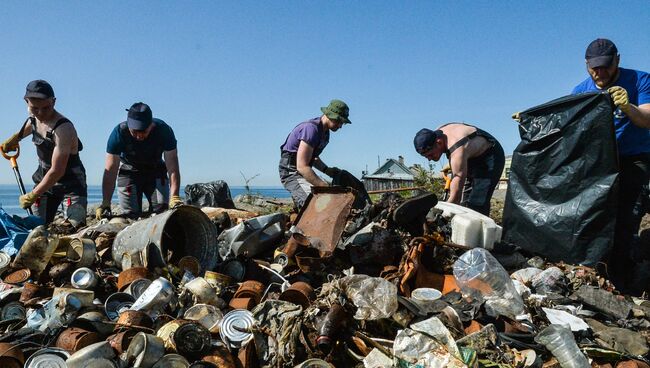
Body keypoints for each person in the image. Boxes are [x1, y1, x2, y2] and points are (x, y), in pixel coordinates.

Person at [572, 38, 650, 293]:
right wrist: (534, 121)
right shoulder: (581, 91)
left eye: (605, 66)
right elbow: (569, 126)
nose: (600, 72)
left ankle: (623, 283)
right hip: (601, 162)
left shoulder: (640, 81)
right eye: (594, 67)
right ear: (586, 65)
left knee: (627, 218)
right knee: (595, 216)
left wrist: (628, 107)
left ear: (617, 60)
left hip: (635, 158)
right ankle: (595, 272)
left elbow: (647, 119)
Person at [0, 80, 87, 227]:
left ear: (53, 101)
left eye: (46, 108)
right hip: (43, 180)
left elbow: (57, 170)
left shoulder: (63, 129)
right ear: (26, 102)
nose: (40, 113)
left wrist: (33, 194)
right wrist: (15, 138)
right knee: (36, 228)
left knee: (74, 230)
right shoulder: (33, 118)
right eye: (35, 108)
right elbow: (31, 124)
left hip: (71, 186)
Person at [97, 102, 182, 219]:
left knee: (162, 212)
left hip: (155, 170)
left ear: (151, 125)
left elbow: (172, 167)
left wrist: (175, 196)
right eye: (135, 132)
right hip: (129, 171)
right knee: (130, 216)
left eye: (143, 132)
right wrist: (106, 202)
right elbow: (110, 171)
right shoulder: (118, 134)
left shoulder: (164, 131)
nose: (138, 136)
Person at [413, 123, 504, 216]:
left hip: (490, 156)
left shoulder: (457, 148)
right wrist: (452, 162)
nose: (429, 159)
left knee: (477, 203)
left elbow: (457, 190)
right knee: (465, 204)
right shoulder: (435, 135)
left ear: (439, 142)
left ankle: (478, 228)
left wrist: (446, 210)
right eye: (426, 156)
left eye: (430, 155)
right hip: (471, 156)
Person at [279, 99, 351, 208]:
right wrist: (324, 187)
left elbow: (313, 157)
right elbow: (302, 166)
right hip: (292, 172)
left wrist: (327, 170)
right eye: (339, 121)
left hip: (303, 171)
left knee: (331, 198)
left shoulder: (325, 133)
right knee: (316, 204)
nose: (340, 126)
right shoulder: (311, 129)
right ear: (331, 115)